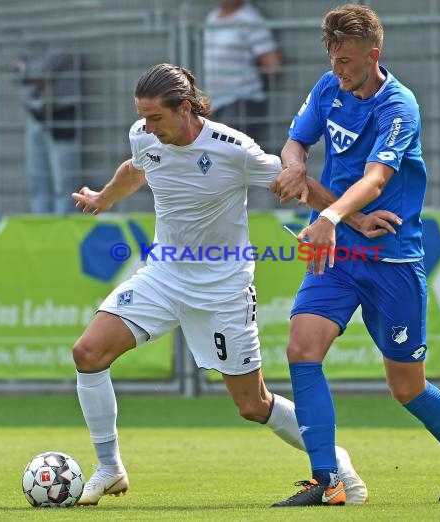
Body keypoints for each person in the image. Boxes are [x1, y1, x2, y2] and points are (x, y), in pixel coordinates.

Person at [70, 63, 373, 506]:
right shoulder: (145, 136)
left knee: (253, 405)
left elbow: (298, 184)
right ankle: (109, 467)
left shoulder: (234, 150)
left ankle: (337, 465)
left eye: (157, 118)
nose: (147, 128)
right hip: (164, 274)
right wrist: (103, 197)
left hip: (222, 288)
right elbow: (137, 168)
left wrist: (355, 218)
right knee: (88, 353)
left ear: (186, 108)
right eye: (143, 118)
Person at [269, 4, 440, 507]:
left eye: (346, 60)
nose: (336, 69)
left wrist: (327, 217)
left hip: (392, 260)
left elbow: (375, 180)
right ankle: (327, 480)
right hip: (338, 254)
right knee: (302, 350)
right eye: (331, 57)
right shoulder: (328, 87)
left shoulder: (399, 106)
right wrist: (293, 166)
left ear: (373, 55)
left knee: (406, 388)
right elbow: (294, 144)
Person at [204, 0, 284, 209]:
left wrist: (242, 78)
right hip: (217, 104)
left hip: (243, 103)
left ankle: (255, 210)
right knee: (225, 162)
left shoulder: (250, 19)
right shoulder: (212, 17)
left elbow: (273, 64)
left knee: (236, 161)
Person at [12, 49, 80, 214]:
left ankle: (61, 225)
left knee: (64, 182)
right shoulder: (31, 44)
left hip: (61, 117)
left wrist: (27, 69)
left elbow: (47, 65)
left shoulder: (61, 47)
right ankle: (41, 224)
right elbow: (16, 67)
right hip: (35, 117)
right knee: (36, 179)